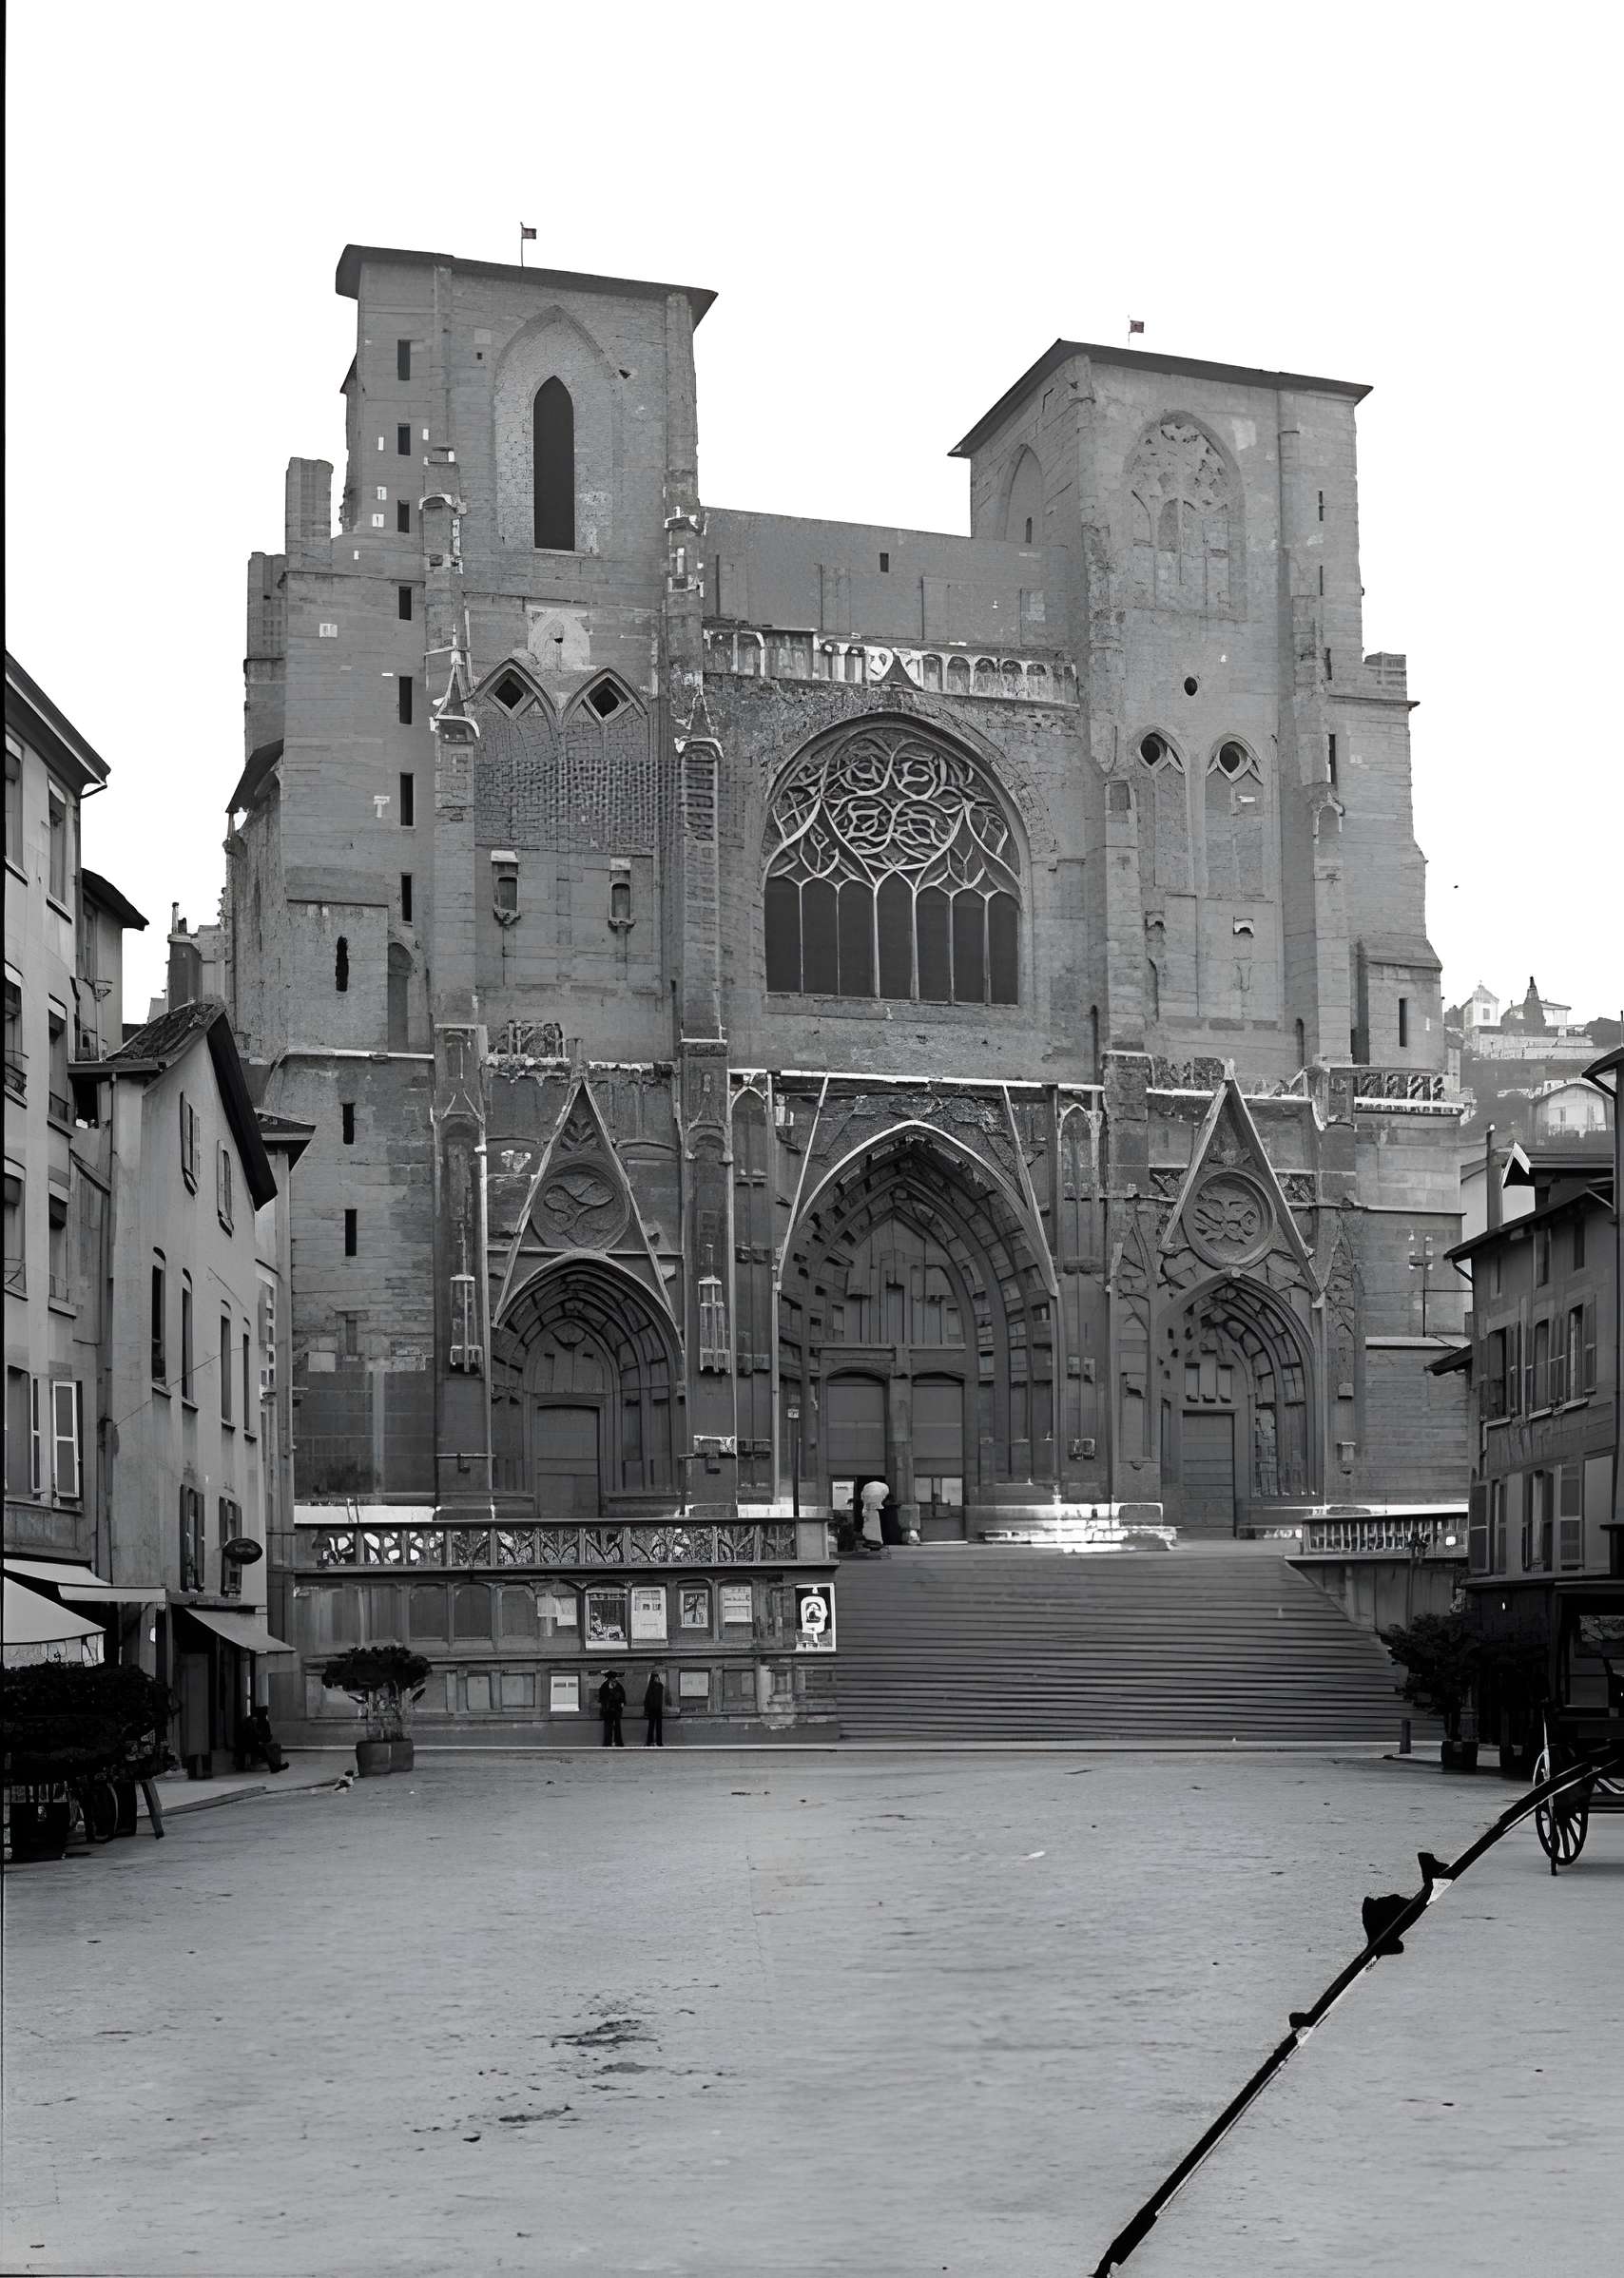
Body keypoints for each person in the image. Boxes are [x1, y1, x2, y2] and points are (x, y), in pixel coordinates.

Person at [860, 1479, 889, 1555]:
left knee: (872, 1527)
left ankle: (873, 1541)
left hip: (870, 1512)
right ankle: (874, 1541)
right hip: (871, 1512)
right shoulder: (878, 1492)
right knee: (872, 1527)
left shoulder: (869, 1491)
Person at [597, 1670, 626, 1747]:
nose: (614, 1679)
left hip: (615, 1709)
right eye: (613, 1678)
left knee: (616, 1727)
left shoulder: (617, 1686)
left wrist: (622, 1703)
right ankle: (608, 1742)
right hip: (608, 1709)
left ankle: (617, 1742)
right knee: (608, 1727)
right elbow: (602, 1698)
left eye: (614, 1678)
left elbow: (622, 1696)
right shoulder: (605, 1686)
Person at [643, 1670, 665, 1748]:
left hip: (655, 1709)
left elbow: (647, 1699)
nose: (657, 1679)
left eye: (657, 1677)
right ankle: (656, 1741)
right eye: (656, 1678)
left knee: (653, 1726)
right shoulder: (658, 1686)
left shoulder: (654, 1687)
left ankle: (652, 1741)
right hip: (655, 1709)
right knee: (654, 1726)